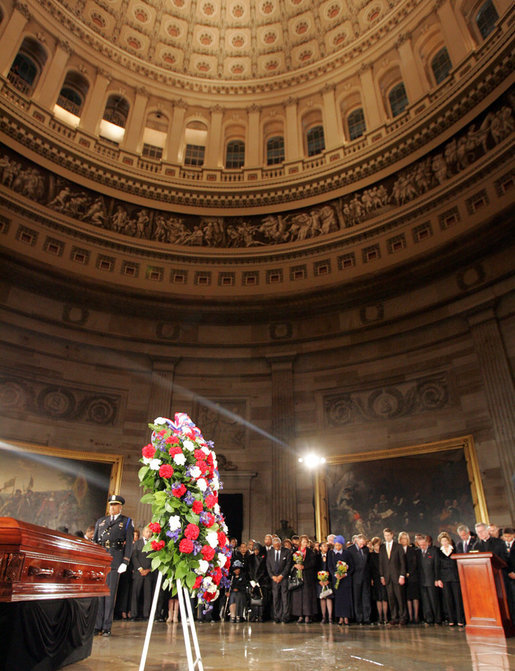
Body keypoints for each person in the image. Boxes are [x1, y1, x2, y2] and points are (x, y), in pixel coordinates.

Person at [93, 494, 134, 636]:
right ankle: (97, 625)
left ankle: (106, 626)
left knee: (109, 594)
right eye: (111, 505)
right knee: (99, 594)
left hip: (115, 559)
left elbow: (129, 543)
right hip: (101, 559)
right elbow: (95, 542)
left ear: (120, 507)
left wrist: (125, 561)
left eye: (115, 505)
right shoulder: (101, 522)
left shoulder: (127, 522)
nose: (112, 507)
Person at [435, 532, 465, 627]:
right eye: (442, 541)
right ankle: (451, 619)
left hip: (455, 577)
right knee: (448, 599)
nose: (444, 542)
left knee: (457, 598)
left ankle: (460, 619)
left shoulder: (455, 549)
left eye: (446, 540)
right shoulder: (439, 552)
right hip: (444, 578)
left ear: (449, 540)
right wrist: (438, 579)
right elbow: (437, 566)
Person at [379, 527, 407, 626]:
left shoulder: (398, 547)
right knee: (391, 598)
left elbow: (402, 562)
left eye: (388, 535)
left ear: (392, 535)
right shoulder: (382, 548)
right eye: (385, 536)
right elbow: (381, 563)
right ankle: (394, 617)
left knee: (400, 597)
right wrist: (382, 576)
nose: (386, 537)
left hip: (397, 576)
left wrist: (402, 575)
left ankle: (403, 617)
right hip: (387, 577)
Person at [291, 534, 318, 624]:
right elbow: (291, 561)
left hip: (307, 576)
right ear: (300, 542)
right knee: (298, 597)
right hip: (298, 576)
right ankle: (300, 616)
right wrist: (295, 565)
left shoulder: (310, 552)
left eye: (306, 542)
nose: (305, 543)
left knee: (307, 597)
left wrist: (303, 566)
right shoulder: (295, 551)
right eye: (303, 542)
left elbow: (313, 563)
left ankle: (307, 615)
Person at [328, 535, 354, 625]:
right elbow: (330, 566)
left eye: (339, 545)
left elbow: (351, 566)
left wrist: (345, 574)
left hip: (345, 580)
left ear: (342, 545)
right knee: (338, 599)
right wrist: (335, 574)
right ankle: (340, 618)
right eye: (336, 545)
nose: (337, 547)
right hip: (336, 580)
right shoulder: (331, 553)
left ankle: (346, 617)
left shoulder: (347, 553)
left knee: (346, 599)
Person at [266, 536, 292, 623]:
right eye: (275, 545)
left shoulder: (287, 552)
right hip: (274, 578)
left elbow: (288, 565)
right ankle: (276, 616)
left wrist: (281, 576)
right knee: (276, 597)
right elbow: (268, 566)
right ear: (273, 545)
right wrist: (273, 576)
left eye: (278, 545)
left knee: (285, 598)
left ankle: (285, 616)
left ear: (280, 544)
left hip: (283, 578)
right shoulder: (270, 552)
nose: (277, 547)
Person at [416, 533, 441, 625]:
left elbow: (436, 566)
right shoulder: (417, 553)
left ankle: (437, 618)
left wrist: (437, 579)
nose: (422, 546)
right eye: (420, 545)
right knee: (426, 601)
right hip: (422, 580)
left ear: (427, 543)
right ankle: (429, 618)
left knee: (434, 600)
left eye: (424, 544)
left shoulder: (433, 551)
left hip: (431, 580)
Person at [130, 526, 154, 621]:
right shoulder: (137, 543)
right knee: (135, 593)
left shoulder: (153, 544)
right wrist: (140, 569)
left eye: (150, 532)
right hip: (138, 572)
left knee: (148, 594)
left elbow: (154, 558)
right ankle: (134, 614)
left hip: (149, 573)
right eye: (147, 532)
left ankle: (146, 614)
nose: (149, 534)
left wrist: (148, 569)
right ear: (143, 532)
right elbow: (134, 557)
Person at [347, 533, 371, 625]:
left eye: (363, 544)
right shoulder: (350, 550)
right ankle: (359, 618)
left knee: (366, 597)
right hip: (355, 578)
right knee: (357, 599)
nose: (362, 545)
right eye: (361, 543)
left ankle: (367, 617)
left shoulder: (366, 550)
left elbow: (368, 564)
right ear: (356, 541)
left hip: (365, 578)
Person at [398, 531, 420, 625]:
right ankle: (410, 617)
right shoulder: (398, 550)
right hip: (402, 577)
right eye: (402, 538)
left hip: (412, 576)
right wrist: (403, 574)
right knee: (407, 598)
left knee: (414, 596)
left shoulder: (412, 550)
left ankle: (416, 617)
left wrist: (409, 573)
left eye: (405, 538)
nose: (404, 540)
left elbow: (414, 563)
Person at [369, 536, 388, 624]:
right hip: (375, 578)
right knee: (378, 598)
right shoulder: (371, 555)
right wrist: (372, 578)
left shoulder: (384, 554)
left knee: (384, 598)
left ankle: (386, 617)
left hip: (384, 578)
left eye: (378, 545)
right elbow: (371, 568)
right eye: (375, 545)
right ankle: (379, 617)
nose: (377, 547)